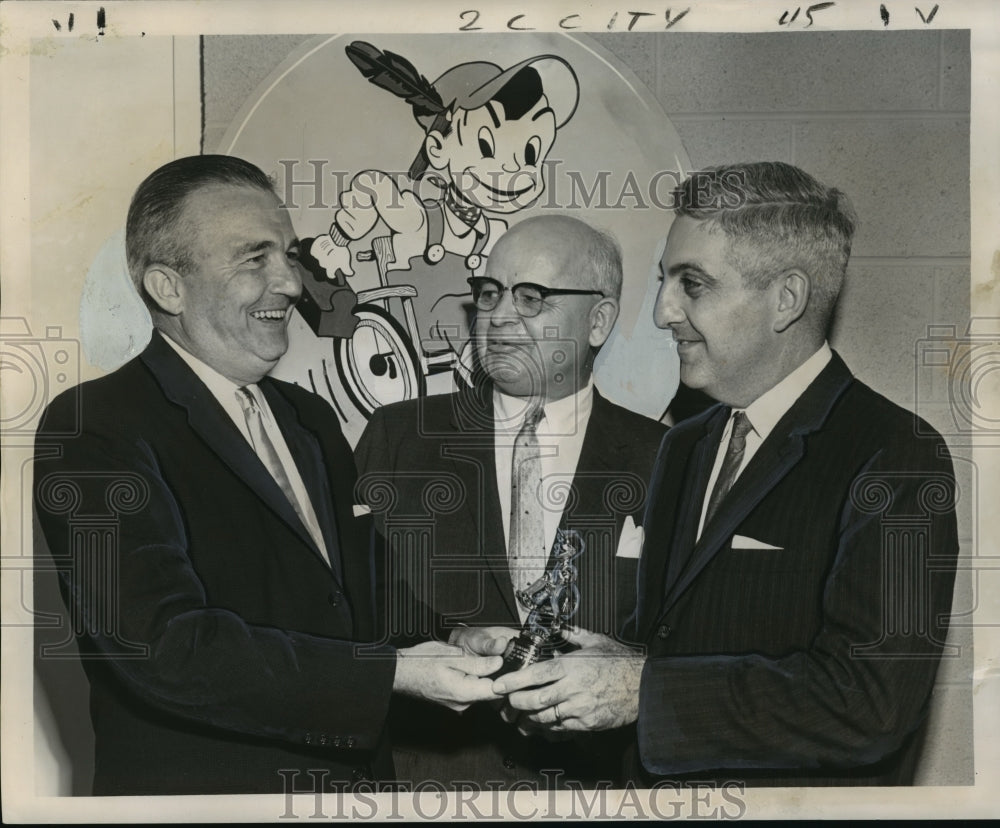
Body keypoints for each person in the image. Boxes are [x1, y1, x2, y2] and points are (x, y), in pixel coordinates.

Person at [32, 155, 502, 796]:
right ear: (168, 288)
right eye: (254, 259)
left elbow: (356, 588)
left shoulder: (309, 418)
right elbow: (164, 647)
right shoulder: (94, 425)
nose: (289, 284)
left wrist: (452, 633)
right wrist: (387, 672)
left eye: (288, 254)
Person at [491, 162, 960, 786]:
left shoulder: (895, 454)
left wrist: (644, 692)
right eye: (665, 280)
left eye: (694, 285)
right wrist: (585, 670)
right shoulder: (685, 445)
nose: (662, 312)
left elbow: (869, 703)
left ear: (786, 299)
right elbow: (672, 652)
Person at [354, 214, 667, 788]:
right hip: (421, 788)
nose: (498, 317)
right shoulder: (398, 437)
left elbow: (691, 638)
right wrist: (442, 638)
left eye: (531, 298)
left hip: (600, 792)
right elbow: (345, 609)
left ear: (598, 321)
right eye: (490, 294)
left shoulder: (667, 456)